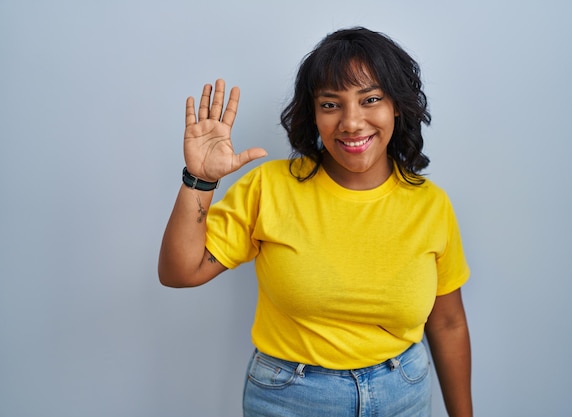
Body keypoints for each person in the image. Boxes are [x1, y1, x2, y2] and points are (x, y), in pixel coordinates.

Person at [159, 27, 472, 417]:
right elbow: (179, 271)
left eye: (370, 99)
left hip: (403, 392)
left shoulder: (431, 204)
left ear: (397, 106)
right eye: (331, 104)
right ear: (313, 113)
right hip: (292, 398)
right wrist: (201, 180)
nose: (352, 122)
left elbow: (447, 324)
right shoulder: (270, 187)